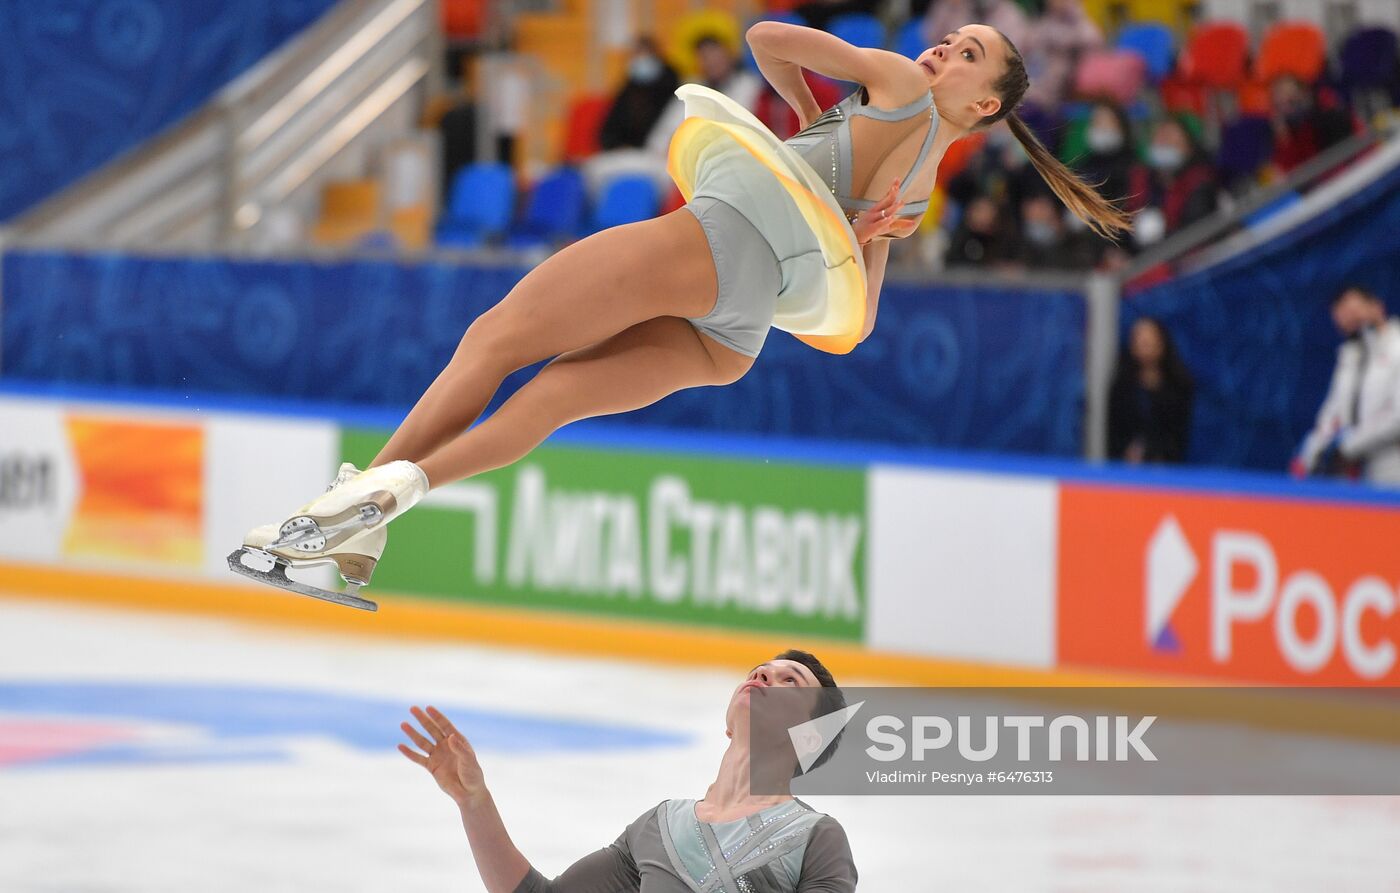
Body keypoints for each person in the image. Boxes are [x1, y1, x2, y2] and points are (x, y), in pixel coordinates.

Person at [231, 21, 1131, 600]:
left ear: (981, 104)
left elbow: (766, 37)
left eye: (970, 54)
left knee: (493, 339)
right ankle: (367, 531)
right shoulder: (923, 188)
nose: (944, 46)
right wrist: (862, 213)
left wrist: (816, 114)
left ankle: (337, 515)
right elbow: (850, 327)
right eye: (952, 35)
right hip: (735, 336)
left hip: (720, 240)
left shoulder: (892, 78)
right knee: (544, 401)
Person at [396, 650, 857, 891]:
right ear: (727, 725)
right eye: (760, 671)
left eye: (788, 681)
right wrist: (474, 802)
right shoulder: (659, 827)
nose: (763, 678)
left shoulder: (814, 837)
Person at [1293, 285, 1400, 486]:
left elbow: (1397, 417)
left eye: (1354, 311)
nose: (1350, 320)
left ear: (1377, 307)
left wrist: (1347, 446)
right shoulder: (1350, 355)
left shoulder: (1397, 347)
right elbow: (1332, 414)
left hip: (1392, 470)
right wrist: (1313, 448)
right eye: (1342, 316)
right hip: (1353, 476)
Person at [1108, 317, 1195, 464]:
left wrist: (1159, 455)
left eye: (1149, 340)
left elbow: (1179, 433)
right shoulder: (1121, 385)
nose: (1144, 344)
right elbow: (1113, 430)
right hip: (1124, 467)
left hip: (1167, 468)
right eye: (1140, 340)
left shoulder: (1180, 385)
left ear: (1162, 343)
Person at [1132, 116, 1218, 250]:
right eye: (1159, 139)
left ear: (1189, 148)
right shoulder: (1141, 181)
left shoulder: (1200, 182)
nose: (1163, 144)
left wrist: (1161, 236)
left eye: (1170, 140)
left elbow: (1196, 233)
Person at [599, 37, 680, 151]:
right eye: (635, 55)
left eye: (644, 53)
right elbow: (609, 130)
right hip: (627, 153)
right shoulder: (628, 89)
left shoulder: (674, 89)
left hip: (661, 153)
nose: (640, 59)